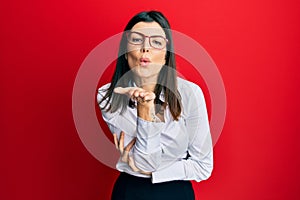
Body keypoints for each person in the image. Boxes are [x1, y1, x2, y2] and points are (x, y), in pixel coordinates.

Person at [97, 10, 213, 200]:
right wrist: (144, 110)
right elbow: (146, 160)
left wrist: (153, 173)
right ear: (125, 52)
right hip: (130, 192)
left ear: (166, 55)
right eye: (136, 40)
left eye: (156, 42)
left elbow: (203, 166)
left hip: (175, 193)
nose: (145, 48)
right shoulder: (108, 95)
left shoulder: (190, 93)